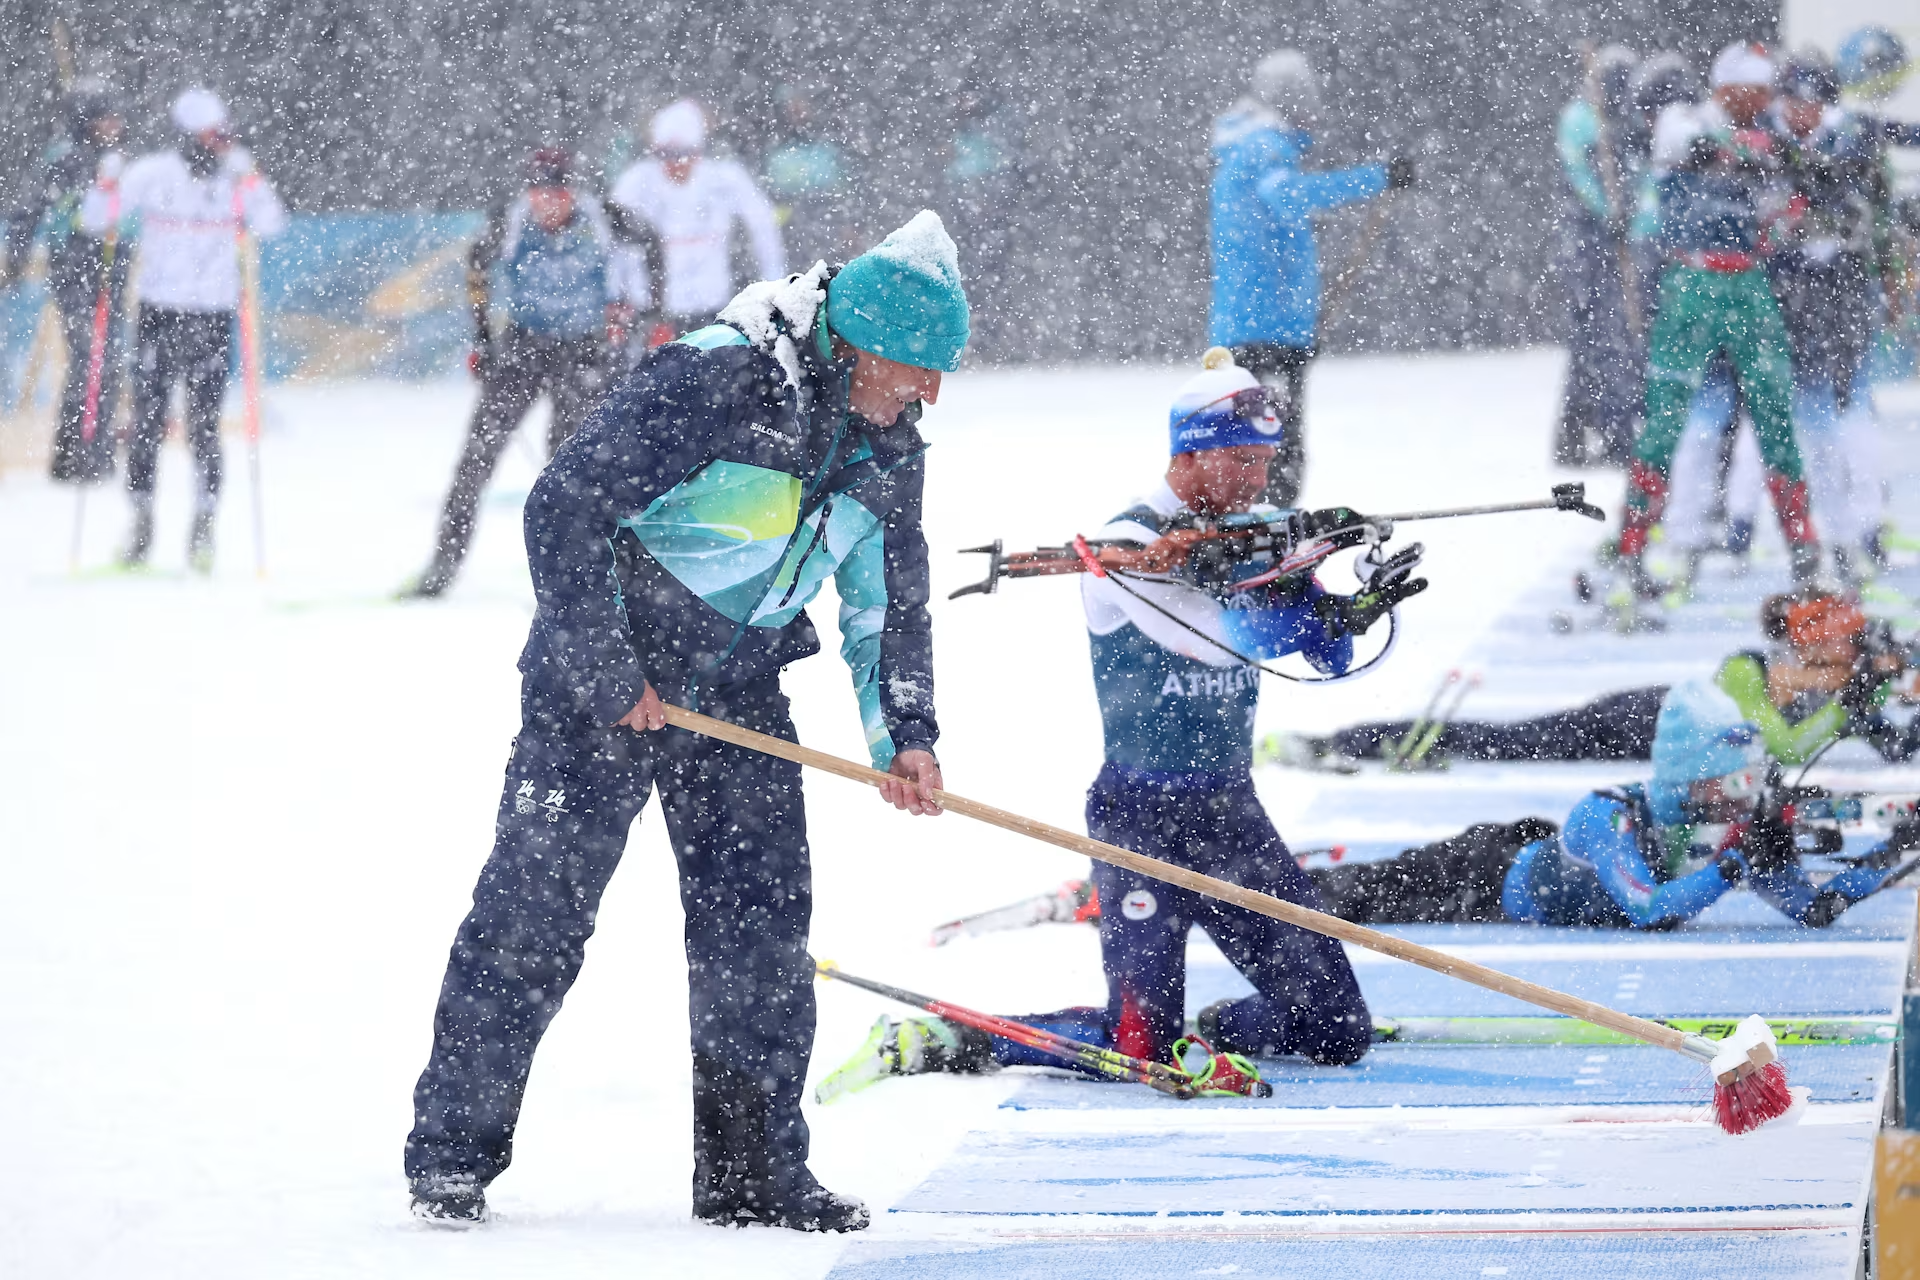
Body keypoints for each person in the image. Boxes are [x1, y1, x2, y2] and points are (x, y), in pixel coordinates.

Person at [404, 211, 970, 1233]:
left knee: (759, 930)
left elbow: (891, 600)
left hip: (739, 693)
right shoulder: (715, 380)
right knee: (533, 915)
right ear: (854, 344)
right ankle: (452, 1152)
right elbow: (562, 506)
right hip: (598, 691)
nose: (929, 392)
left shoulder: (890, 447)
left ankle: (753, 1171)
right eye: (916, 369)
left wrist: (907, 733)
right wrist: (609, 669)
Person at [822, 348, 1431, 1094]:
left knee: (1334, 1031)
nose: (1257, 480)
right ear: (1191, 453)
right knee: (1139, 1047)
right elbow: (1219, 639)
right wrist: (1314, 604)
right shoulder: (1125, 546)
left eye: (1266, 461)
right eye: (1241, 460)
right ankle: (948, 1035)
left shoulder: (1259, 534)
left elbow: (1328, 660)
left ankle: (1209, 1032)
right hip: (1139, 820)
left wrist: (1352, 598)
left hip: (1231, 815)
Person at [1312, 679, 1920, 931]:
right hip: (1480, 876)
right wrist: (1732, 868)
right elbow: (1648, 910)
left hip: (1509, 886)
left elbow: (1811, 908)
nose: (1743, 798)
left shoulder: (1720, 828)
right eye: (1731, 784)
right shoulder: (1610, 815)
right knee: (1338, 901)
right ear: (1689, 779)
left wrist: (1888, 855)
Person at [1614, 42, 1822, 595]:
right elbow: (1685, 146)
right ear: (1727, 87)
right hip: (1693, 285)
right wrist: (1744, 152)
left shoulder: (1771, 132)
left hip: (1748, 284)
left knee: (1777, 418)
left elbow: (1791, 188)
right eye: (1754, 88)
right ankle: (1632, 548)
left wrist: (1787, 205)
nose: (1765, 98)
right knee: (1664, 421)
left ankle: (1805, 552)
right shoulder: (1686, 119)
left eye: (1767, 89)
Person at [1277, 589, 1915, 769]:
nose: (1850, 663)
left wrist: (1875, 700)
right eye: (1842, 650)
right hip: (1635, 720)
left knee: (1511, 741)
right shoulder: (1747, 671)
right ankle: (1353, 741)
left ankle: (1363, 741)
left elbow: (1889, 741)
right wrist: (1849, 706)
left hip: (1650, 735)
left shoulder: (1823, 688)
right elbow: (1779, 748)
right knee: (1510, 741)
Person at [402, 148, 639, 599]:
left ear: (572, 193)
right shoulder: (511, 223)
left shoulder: (601, 219)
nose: (548, 203)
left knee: (569, 466)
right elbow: (477, 265)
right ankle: (443, 565)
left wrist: (643, 316)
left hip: (583, 351)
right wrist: (483, 340)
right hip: (525, 346)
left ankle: (576, 567)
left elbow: (650, 245)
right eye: (539, 193)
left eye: (557, 193)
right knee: (477, 457)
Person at [80, 87, 285, 571]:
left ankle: (204, 523)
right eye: (211, 139)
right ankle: (142, 519)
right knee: (147, 424)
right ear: (187, 138)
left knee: (204, 427)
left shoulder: (234, 178)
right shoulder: (153, 174)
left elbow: (273, 223)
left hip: (213, 316)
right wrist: (106, 183)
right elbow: (93, 221)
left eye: (224, 138)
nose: (219, 148)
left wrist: (251, 178)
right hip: (160, 313)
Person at [1208, 49, 1413, 508]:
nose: (1312, 109)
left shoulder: (1243, 149)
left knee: (1251, 451)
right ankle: (1270, 544)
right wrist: (1377, 178)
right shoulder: (1265, 148)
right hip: (1266, 331)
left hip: (1252, 326)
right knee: (1275, 455)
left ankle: (1259, 536)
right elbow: (1289, 197)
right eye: (1304, 97)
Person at [2, 78, 129, 483]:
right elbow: (29, 212)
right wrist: (16, 260)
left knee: (106, 359)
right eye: (105, 117)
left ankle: (99, 450)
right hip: (75, 266)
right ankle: (74, 453)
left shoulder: (118, 159)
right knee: (89, 356)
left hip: (112, 266)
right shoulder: (63, 158)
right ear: (87, 119)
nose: (115, 124)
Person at [610, 99, 786, 346]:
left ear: (698, 151)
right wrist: (617, 296)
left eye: (683, 154)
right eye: (666, 155)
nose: (675, 165)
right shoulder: (637, 182)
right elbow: (613, 241)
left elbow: (763, 226)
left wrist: (774, 284)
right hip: (653, 311)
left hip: (709, 305)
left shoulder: (724, 179)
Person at [1553, 45, 1646, 468]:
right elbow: (1579, 175)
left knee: (1619, 339)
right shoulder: (1581, 120)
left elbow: (1645, 181)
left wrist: (1634, 220)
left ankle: (1615, 429)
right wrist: (1608, 213)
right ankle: (1583, 432)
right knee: (1595, 340)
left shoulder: (1629, 123)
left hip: (1620, 245)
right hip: (1588, 246)